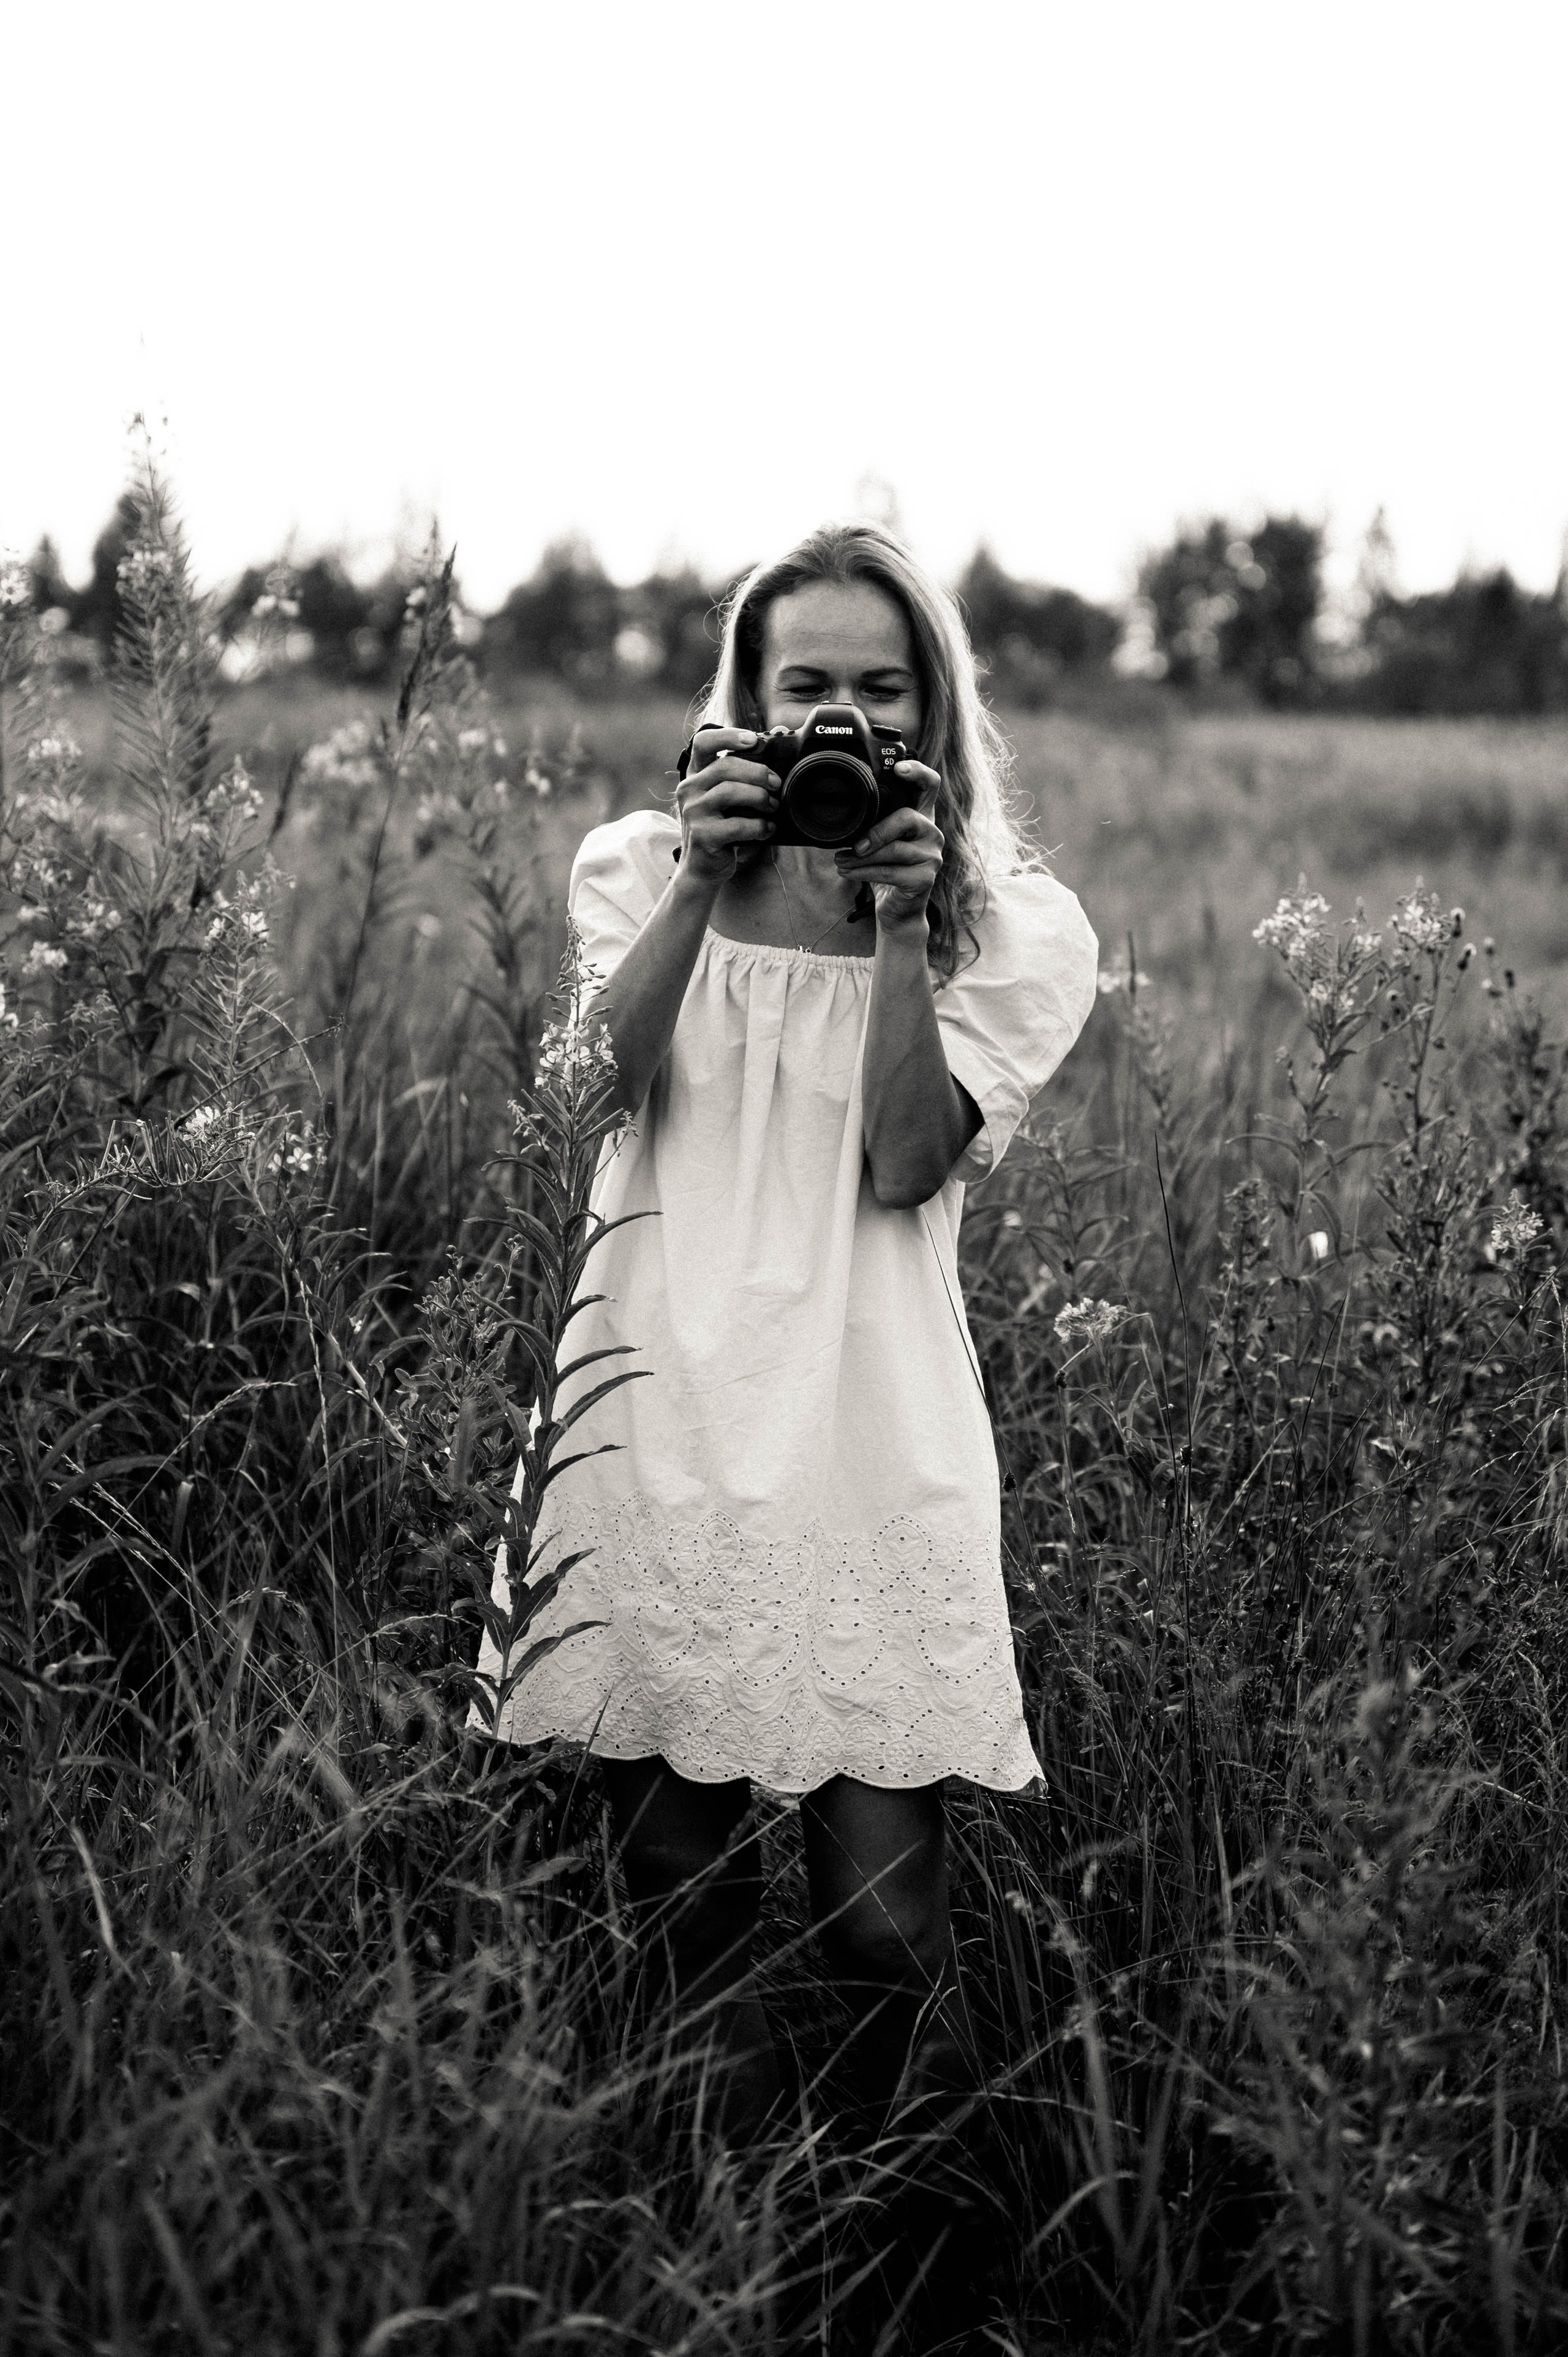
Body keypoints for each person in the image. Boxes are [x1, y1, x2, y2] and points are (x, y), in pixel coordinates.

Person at [476, 521, 1097, 2157]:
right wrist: (703, 874)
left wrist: (898, 923)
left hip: (865, 1416)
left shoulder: (1014, 928)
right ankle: (702, 2198)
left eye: (882, 691)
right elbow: (580, 1101)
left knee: (885, 1921)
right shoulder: (634, 865)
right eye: (807, 685)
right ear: (744, 704)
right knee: (669, 1887)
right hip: (658, 1386)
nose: (846, 723)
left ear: (936, 713)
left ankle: (869, 2199)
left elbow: (905, 1163)